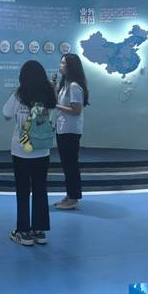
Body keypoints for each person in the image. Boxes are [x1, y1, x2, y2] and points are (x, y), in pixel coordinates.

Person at [3, 60, 57, 246]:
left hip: (21, 149)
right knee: (41, 189)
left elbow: (6, 113)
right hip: (42, 150)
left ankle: (23, 232)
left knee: (23, 190)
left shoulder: (19, 94)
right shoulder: (49, 94)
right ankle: (39, 231)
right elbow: (53, 117)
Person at [54, 53, 89, 210]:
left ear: (70, 66)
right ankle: (70, 194)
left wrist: (57, 106)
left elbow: (76, 110)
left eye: (63, 63)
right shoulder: (66, 84)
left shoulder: (74, 86)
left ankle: (73, 198)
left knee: (71, 165)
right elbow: (59, 101)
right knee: (67, 165)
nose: (60, 65)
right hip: (63, 129)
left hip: (70, 131)